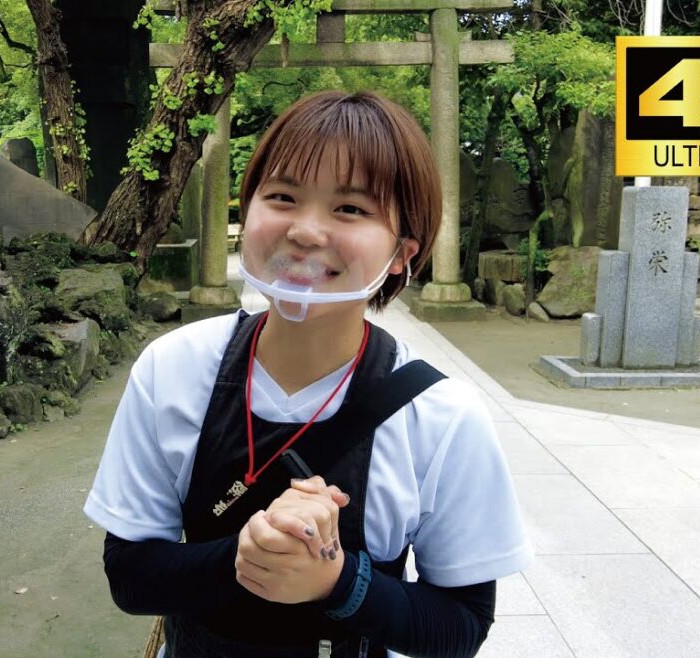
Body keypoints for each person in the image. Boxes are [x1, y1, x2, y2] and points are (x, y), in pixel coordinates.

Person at [84, 90, 531, 658]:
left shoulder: (440, 416)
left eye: (350, 209)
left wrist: (339, 583)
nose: (306, 231)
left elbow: (461, 623)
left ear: (402, 253)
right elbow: (130, 574)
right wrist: (245, 555)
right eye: (283, 196)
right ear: (248, 211)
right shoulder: (172, 369)